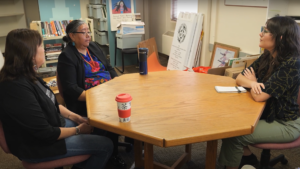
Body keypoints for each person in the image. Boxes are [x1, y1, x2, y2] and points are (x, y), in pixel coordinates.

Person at [0, 29, 113, 169]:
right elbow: (45, 133)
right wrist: (78, 130)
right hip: (38, 145)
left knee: (95, 127)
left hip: (51, 126)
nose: (43, 50)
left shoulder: (27, 74)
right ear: (30, 53)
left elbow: (52, 103)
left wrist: (76, 117)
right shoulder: (16, 88)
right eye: (41, 46)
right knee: (105, 145)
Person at [218, 16, 300, 169]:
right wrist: (253, 83)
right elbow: (241, 77)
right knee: (227, 125)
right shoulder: (268, 55)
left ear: (280, 37)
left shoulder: (292, 64)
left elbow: (259, 96)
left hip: (285, 123)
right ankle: (248, 160)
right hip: (266, 113)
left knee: (235, 134)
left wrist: (254, 86)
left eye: (266, 31)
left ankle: (244, 162)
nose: (260, 34)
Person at [57, 20, 127, 167]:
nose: (88, 35)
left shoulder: (93, 46)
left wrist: (118, 83)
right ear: (72, 36)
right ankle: (110, 154)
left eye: (89, 31)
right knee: (114, 111)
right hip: (89, 99)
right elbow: (71, 88)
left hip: (109, 90)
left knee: (129, 100)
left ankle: (131, 140)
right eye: (84, 32)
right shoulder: (67, 56)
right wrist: (97, 97)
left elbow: (109, 67)